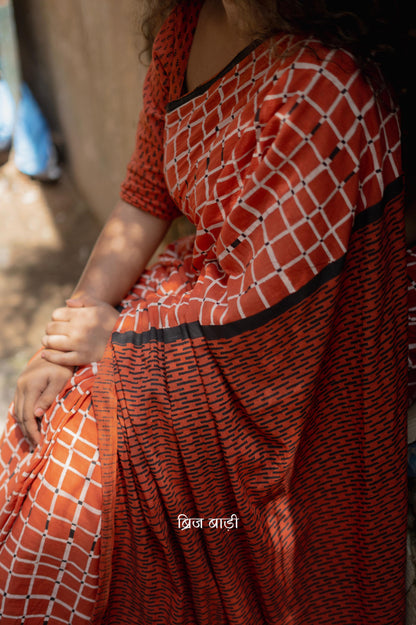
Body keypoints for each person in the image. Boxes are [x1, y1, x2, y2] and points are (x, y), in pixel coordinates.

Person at [0, 0, 411, 623]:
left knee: (83, 477)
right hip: (202, 308)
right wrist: (69, 333)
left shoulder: (327, 87)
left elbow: (279, 322)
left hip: (311, 347)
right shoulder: (186, 30)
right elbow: (144, 198)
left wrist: (118, 339)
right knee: (41, 415)